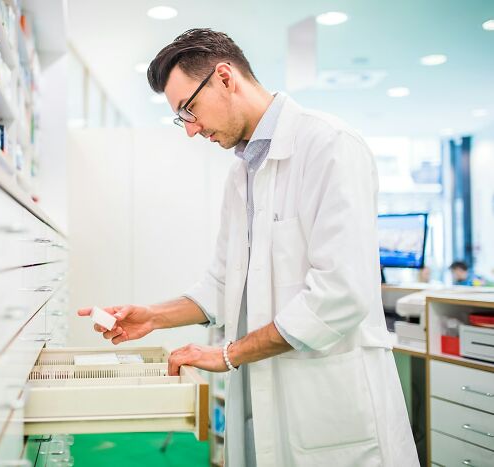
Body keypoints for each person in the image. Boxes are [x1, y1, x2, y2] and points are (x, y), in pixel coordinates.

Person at [77, 29, 418, 466]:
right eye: (182, 118)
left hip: (330, 410)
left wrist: (227, 353)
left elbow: (340, 294)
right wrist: (154, 317)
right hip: (264, 405)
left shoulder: (329, 146)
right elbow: (224, 282)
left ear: (224, 77)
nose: (191, 129)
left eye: (189, 109)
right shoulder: (242, 175)